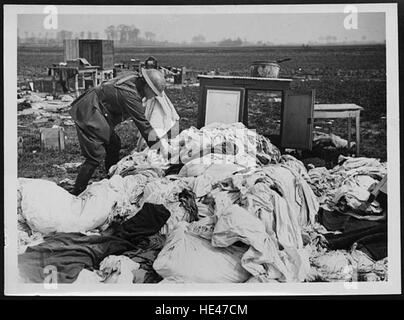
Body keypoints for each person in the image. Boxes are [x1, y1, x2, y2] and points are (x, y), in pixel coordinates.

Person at [69, 68, 169, 196]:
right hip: (89, 110)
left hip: (98, 108)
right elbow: (144, 125)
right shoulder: (130, 96)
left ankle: (110, 178)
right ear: (147, 87)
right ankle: (77, 191)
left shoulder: (134, 80)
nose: (153, 97)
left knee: (114, 144)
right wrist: (159, 148)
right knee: (95, 155)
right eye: (154, 93)